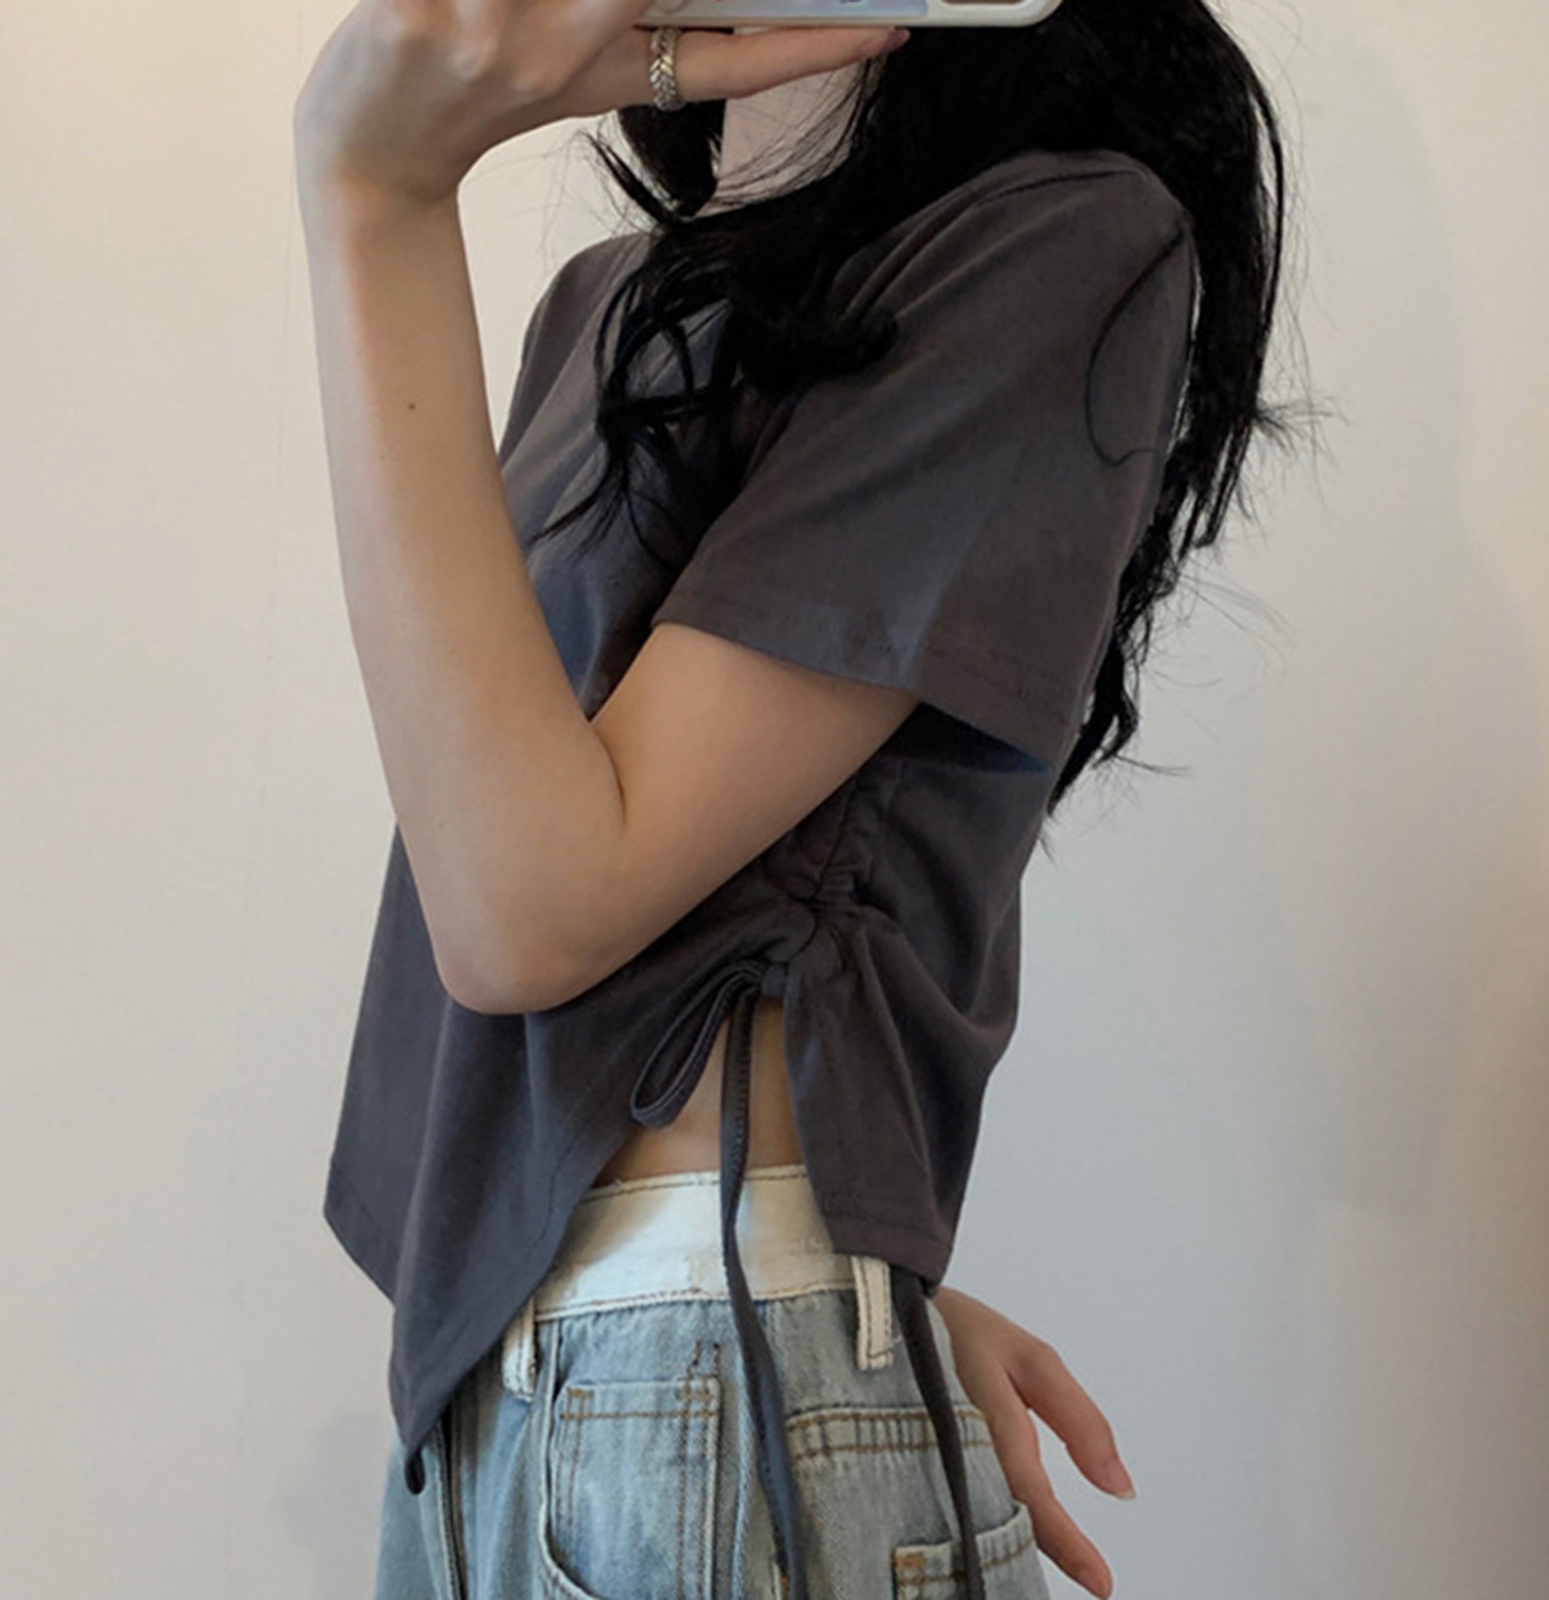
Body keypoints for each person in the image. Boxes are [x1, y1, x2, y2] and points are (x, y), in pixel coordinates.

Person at [292, 2, 1299, 1596]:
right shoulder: (603, 304)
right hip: (516, 1382)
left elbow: (528, 904)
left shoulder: (1056, 238)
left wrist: (374, 194)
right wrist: (840, 1299)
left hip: (673, 1379)